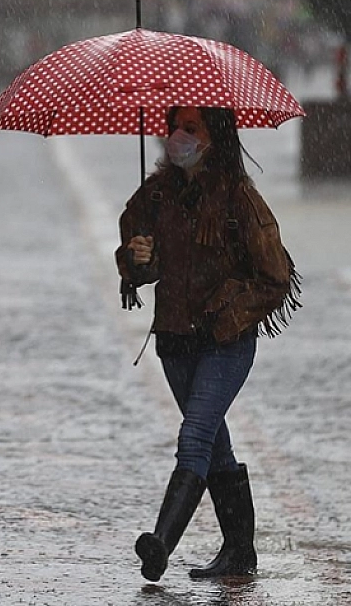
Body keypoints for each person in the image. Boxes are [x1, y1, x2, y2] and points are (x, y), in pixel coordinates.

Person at [117, 106, 301, 582]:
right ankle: (240, 552)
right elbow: (142, 267)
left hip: (225, 344)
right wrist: (137, 259)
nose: (177, 136)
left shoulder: (240, 199)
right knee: (213, 444)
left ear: (214, 138)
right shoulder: (154, 198)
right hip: (174, 344)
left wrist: (228, 304)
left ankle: (160, 543)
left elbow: (276, 277)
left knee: (195, 436)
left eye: (190, 128)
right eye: (173, 126)